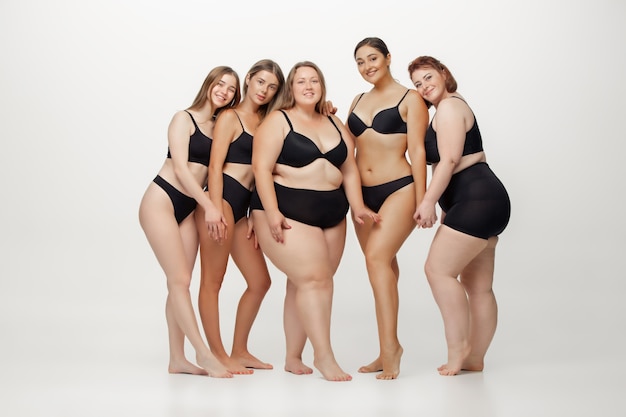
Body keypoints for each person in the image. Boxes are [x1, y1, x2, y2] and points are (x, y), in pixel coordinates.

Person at [250, 61, 380, 382]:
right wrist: (272, 212)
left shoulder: (335, 121)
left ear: (322, 86)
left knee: (306, 283)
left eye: (314, 81)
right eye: (300, 81)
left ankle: (293, 356)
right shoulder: (277, 121)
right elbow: (261, 169)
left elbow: (348, 168)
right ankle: (324, 356)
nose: (308, 86)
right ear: (290, 89)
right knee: (315, 279)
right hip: (286, 209)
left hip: (332, 214)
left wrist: (358, 206)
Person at [407, 56, 511, 375]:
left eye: (428, 77)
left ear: (443, 73)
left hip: (476, 199)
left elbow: (450, 160)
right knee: (477, 285)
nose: (425, 86)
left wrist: (427, 202)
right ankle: (475, 357)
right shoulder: (451, 107)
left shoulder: (450, 107)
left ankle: (458, 350)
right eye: (418, 84)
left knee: (438, 271)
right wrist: (445, 205)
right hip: (485, 201)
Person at [138, 66, 241, 378]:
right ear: (208, 84)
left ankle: (177, 359)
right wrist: (210, 205)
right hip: (163, 200)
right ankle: (203, 353)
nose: (224, 91)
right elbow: (182, 169)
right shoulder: (184, 117)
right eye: (220, 84)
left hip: (190, 204)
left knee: (180, 282)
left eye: (231, 89)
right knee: (179, 279)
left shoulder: (220, 124)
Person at [345, 37, 429, 379]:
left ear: (388, 58)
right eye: (361, 62)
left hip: (400, 188)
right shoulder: (357, 99)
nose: (367, 66)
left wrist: (425, 200)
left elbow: (419, 152)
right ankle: (384, 348)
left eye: (373, 58)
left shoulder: (411, 99)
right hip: (363, 197)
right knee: (382, 267)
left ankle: (391, 348)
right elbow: (348, 150)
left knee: (376, 259)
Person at [193, 59, 284, 374]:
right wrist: (214, 208)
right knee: (212, 281)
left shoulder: (269, 120)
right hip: (222, 202)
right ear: (249, 79)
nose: (264, 90)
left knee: (260, 282)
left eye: (272, 86)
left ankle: (240, 349)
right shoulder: (230, 117)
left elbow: (265, 175)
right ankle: (217, 354)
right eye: (260, 82)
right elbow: (215, 166)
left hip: (244, 209)